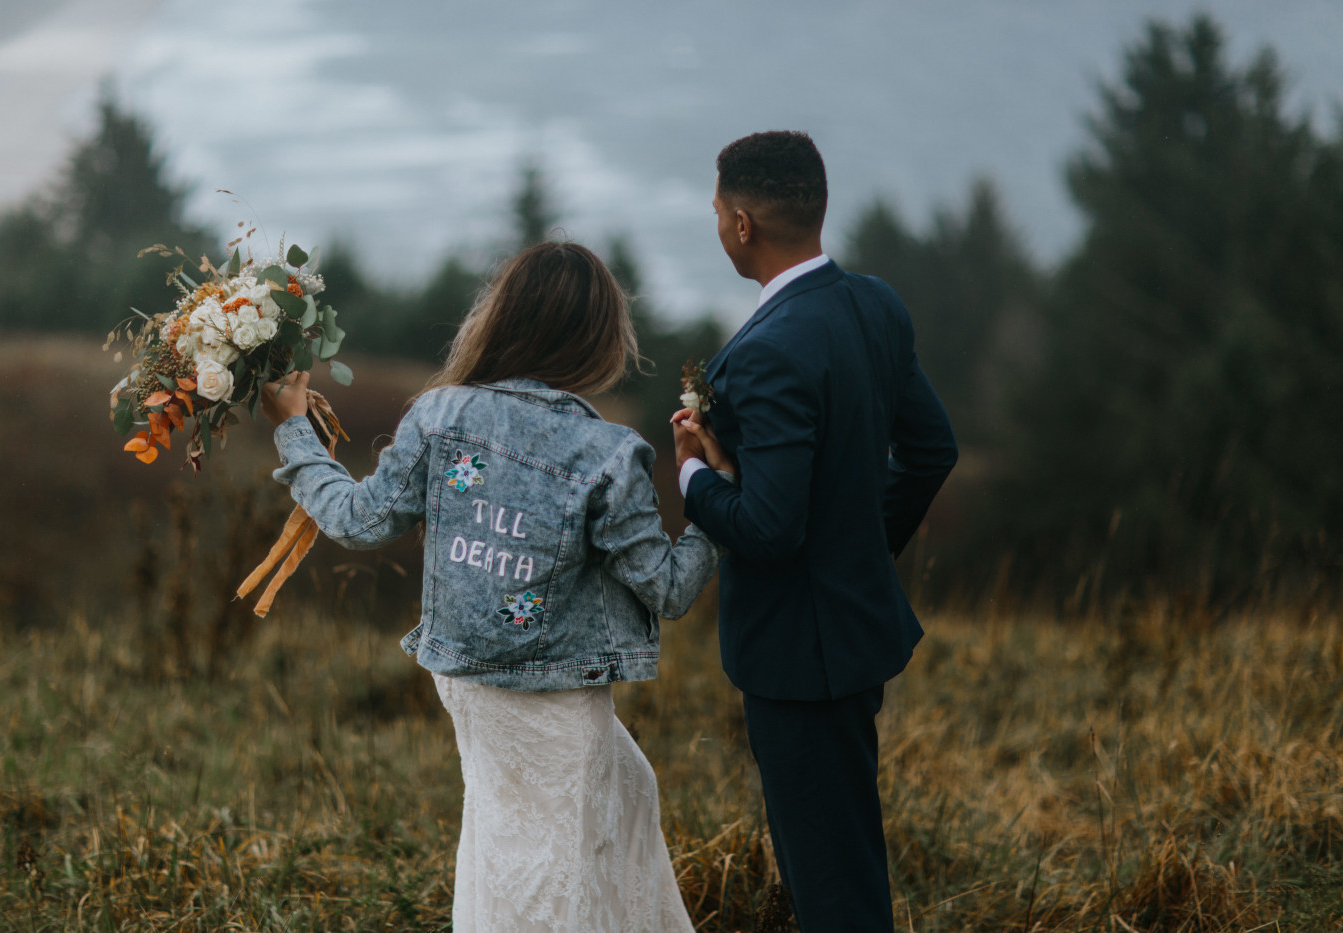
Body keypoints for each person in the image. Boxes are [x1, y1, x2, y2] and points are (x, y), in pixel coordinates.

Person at [261, 241, 718, 932]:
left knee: (612, 799)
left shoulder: (439, 415)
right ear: (596, 338)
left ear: (502, 319)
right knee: (545, 871)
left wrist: (294, 430)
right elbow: (671, 590)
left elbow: (359, 519)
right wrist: (714, 492)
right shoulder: (607, 453)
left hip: (471, 681)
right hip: (557, 695)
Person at [673, 131, 958, 931]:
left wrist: (693, 476)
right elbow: (933, 449)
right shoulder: (874, 305)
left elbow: (767, 529)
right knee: (841, 859)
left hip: (799, 655)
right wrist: (860, 552)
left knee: (829, 885)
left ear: (740, 225)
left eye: (718, 212)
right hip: (854, 631)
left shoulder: (767, 352)